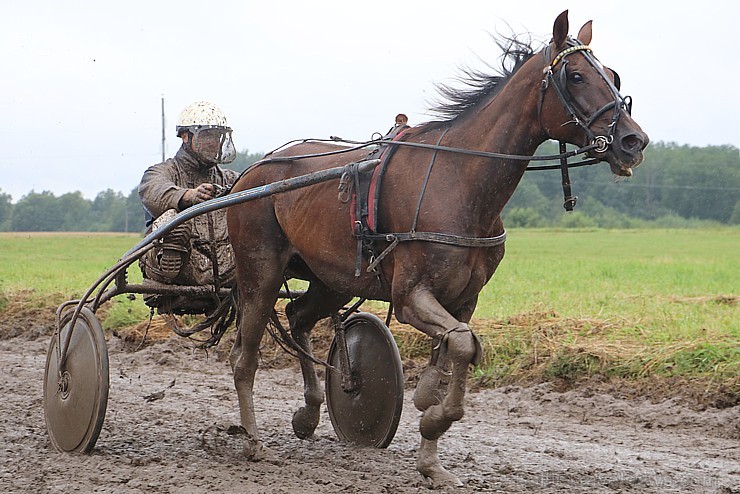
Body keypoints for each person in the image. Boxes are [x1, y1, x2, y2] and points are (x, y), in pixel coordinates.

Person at [138, 101, 240, 294]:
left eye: (218, 136)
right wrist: (188, 195)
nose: (214, 142)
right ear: (186, 136)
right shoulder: (160, 171)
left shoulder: (230, 179)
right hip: (182, 265)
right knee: (174, 220)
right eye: (208, 135)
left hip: (227, 265)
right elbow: (153, 191)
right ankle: (171, 266)